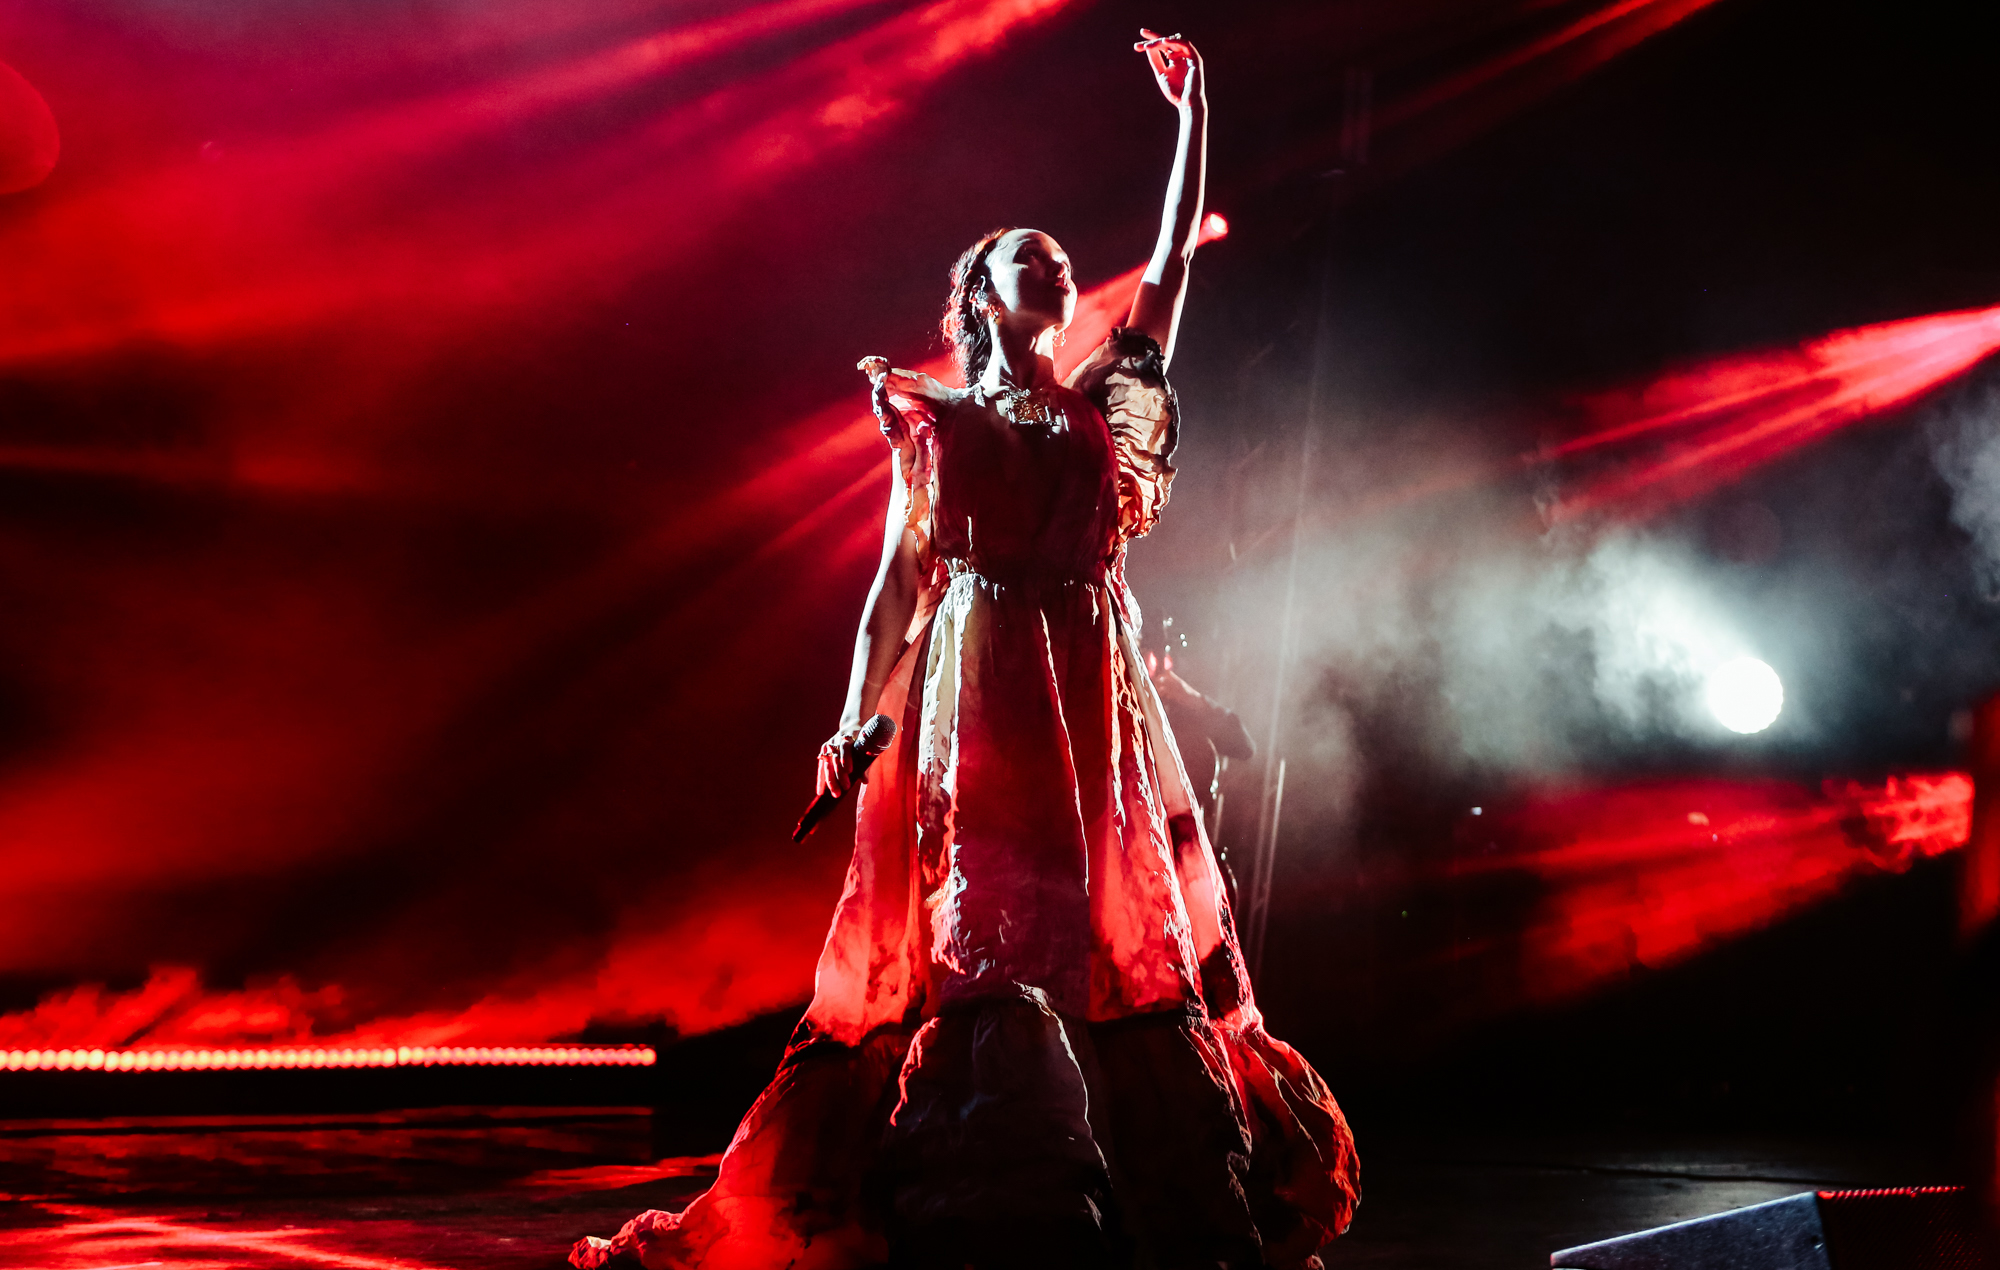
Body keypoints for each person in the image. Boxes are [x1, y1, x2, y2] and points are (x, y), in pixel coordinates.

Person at [573, 30, 1358, 1270]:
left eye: (1056, 256)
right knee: (996, 929)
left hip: (1091, 689)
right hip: (983, 684)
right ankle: (985, 1203)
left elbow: (1166, 270)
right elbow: (896, 582)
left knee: (1107, 929)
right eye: (1025, 256)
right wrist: (849, 717)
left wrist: (1191, 116)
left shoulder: (1100, 404)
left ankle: (1115, 1194)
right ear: (981, 290)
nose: (1051, 264)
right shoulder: (929, 419)